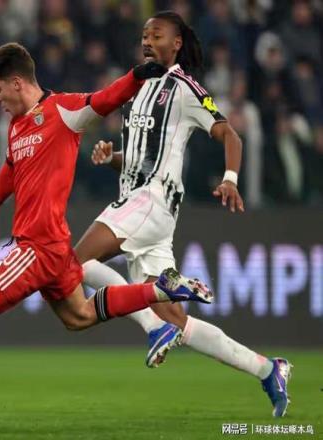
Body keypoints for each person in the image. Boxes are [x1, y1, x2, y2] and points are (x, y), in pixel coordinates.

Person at [0, 42, 213, 417]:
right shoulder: (16, 126)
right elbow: (10, 169)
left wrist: (135, 76)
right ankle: (160, 289)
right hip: (56, 248)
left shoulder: (63, 111)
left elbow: (103, 99)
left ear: (17, 82)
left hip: (36, 248)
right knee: (79, 316)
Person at [73, 12, 292, 418]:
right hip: (144, 208)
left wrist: (230, 178)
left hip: (152, 199)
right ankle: (268, 369)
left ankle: (154, 327)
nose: (147, 41)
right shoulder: (137, 87)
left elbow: (230, 134)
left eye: (156, 35)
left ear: (176, 44)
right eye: (144, 35)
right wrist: (113, 158)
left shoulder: (185, 88)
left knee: (75, 263)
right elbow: (142, 158)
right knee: (178, 322)